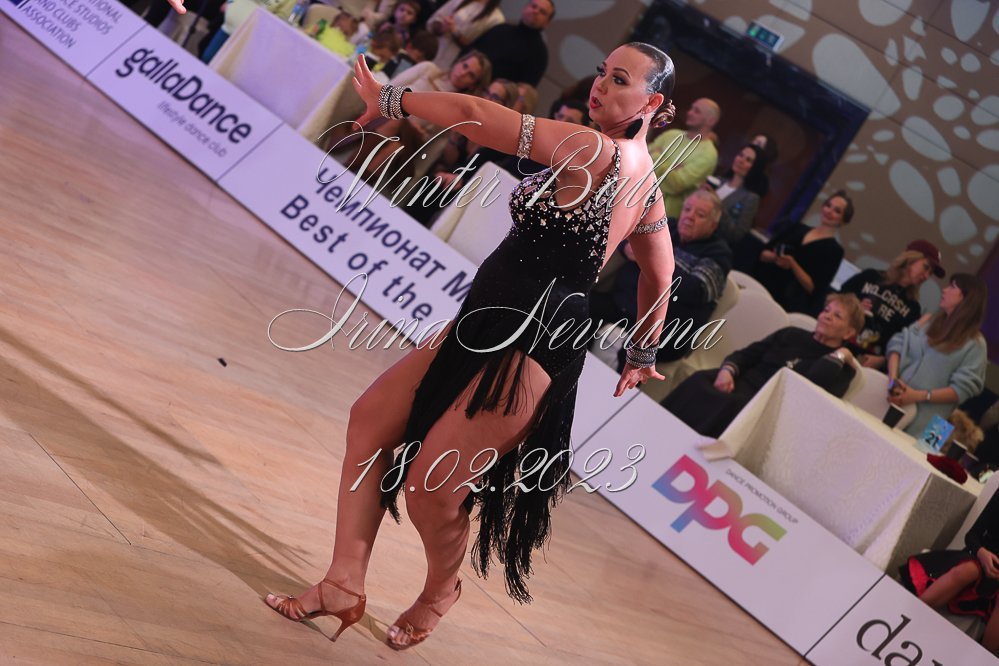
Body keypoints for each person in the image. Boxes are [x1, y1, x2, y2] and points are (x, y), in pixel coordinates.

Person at [164, 3, 679, 643]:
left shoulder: (594, 148)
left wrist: (393, 98)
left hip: (533, 343)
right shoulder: (647, 185)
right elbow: (660, 271)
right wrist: (642, 350)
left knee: (430, 489)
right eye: (602, 71)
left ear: (653, 105)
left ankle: (441, 591)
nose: (601, 84)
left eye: (620, 80)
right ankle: (342, 582)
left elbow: (477, 116)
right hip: (485, 320)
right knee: (371, 420)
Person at [662, 293, 863, 438]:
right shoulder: (791, 334)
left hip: (768, 406)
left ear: (849, 333)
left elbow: (813, 385)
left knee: (730, 405)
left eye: (837, 316)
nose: (827, 316)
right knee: (699, 380)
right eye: (826, 310)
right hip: (739, 382)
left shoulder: (843, 370)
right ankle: (658, 431)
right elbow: (747, 355)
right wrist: (727, 371)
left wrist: (840, 355)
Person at [589, 189, 731, 365]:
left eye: (700, 215)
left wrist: (651, 258)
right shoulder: (667, 226)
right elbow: (629, 237)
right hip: (623, 305)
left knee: (630, 350)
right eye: (687, 209)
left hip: (663, 328)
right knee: (577, 306)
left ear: (713, 225)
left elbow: (696, 289)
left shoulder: (718, 253)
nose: (690, 217)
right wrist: (627, 248)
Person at [899, 487, 999, 655]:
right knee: (969, 570)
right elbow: (972, 535)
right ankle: (906, 618)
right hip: (978, 557)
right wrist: (981, 552)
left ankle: (983, 658)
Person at [886, 273, 988, 437]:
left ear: (967, 298)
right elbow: (898, 343)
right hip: (893, 401)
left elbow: (962, 389)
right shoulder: (929, 320)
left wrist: (917, 396)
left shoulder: (976, 344)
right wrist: (893, 380)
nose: (944, 290)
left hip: (934, 426)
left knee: (916, 453)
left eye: (952, 287)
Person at [840, 239, 945, 369]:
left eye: (930, 273)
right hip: (839, 343)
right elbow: (835, 299)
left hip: (866, 364)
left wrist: (883, 361)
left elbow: (903, 347)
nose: (926, 276)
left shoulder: (913, 308)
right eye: (926, 267)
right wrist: (854, 307)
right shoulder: (871, 277)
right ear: (910, 259)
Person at [752, 190, 853, 315]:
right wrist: (775, 258)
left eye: (837, 211)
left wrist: (793, 264)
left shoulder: (835, 251)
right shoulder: (797, 228)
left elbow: (814, 289)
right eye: (828, 205)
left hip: (786, 302)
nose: (829, 211)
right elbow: (762, 254)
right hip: (761, 284)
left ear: (843, 220)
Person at [647, 98, 721, 218]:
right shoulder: (671, 134)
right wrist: (672, 168)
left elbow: (676, 184)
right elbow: (642, 158)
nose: (689, 112)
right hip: (637, 198)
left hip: (664, 216)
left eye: (697, 111)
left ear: (711, 120)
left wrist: (656, 155)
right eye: (691, 109)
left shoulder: (709, 154)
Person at [466, 0, 553, 87]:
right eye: (534, 6)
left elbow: (525, 89)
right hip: (464, 77)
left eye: (542, 12)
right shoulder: (501, 29)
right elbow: (469, 51)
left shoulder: (539, 54)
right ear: (525, 8)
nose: (536, 11)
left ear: (547, 22)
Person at [708, 143, 764, 246]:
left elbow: (736, 235)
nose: (741, 160)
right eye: (740, 155)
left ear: (755, 167)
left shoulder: (751, 198)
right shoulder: (718, 181)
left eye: (748, 160)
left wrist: (717, 203)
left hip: (713, 244)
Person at [426, 0, 505, 70]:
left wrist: (455, 31)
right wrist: (441, 26)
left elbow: (479, 48)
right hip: (435, 47)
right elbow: (434, 20)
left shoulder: (497, 18)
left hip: (455, 60)